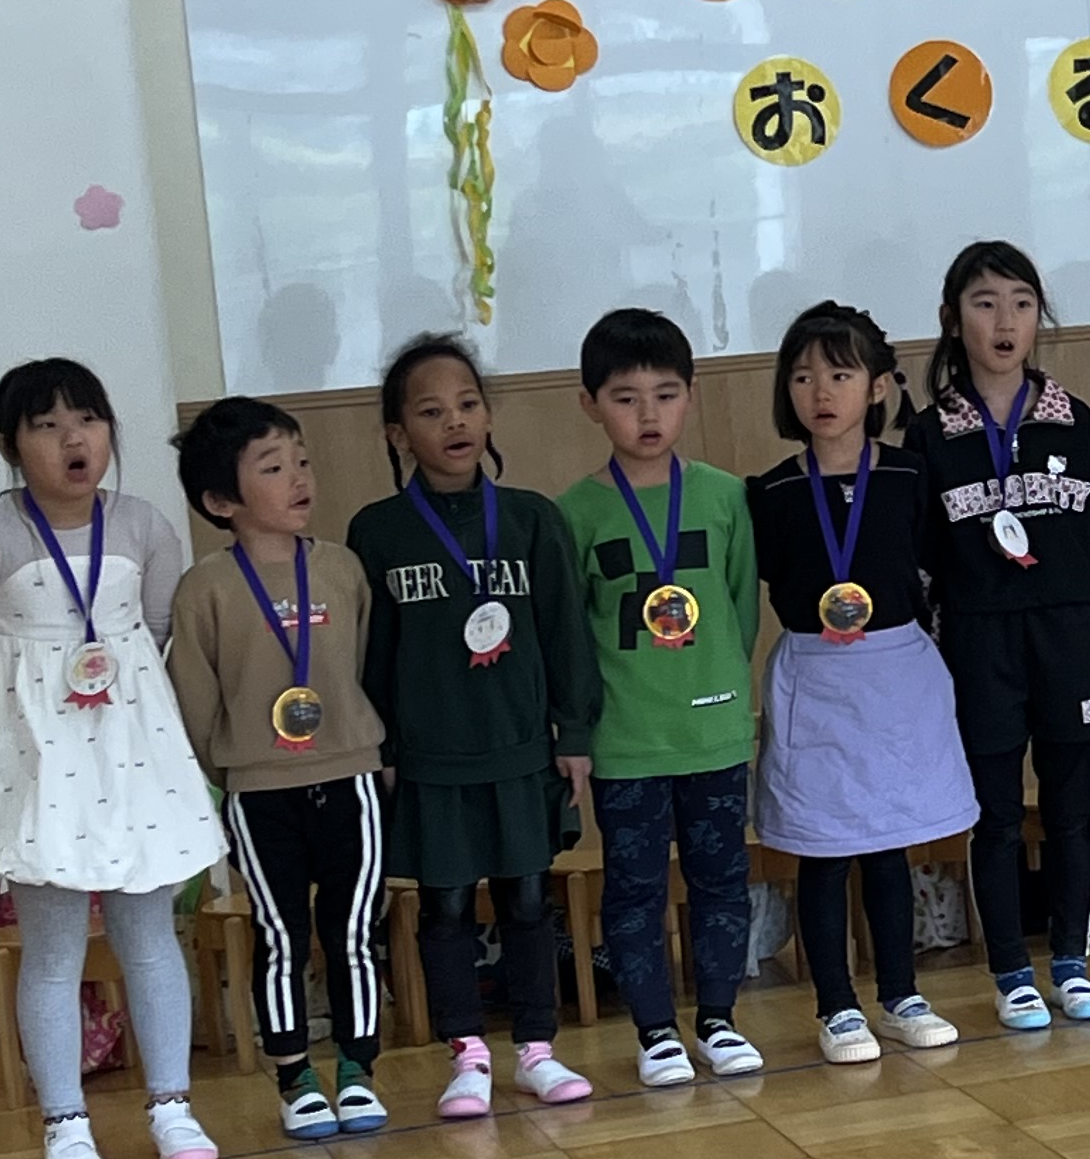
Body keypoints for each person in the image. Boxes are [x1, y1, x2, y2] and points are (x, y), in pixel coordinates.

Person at [0, 356, 229, 1159]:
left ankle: (172, 1106)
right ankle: (65, 1123)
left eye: (88, 420)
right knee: (53, 947)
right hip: (41, 768)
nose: (74, 439)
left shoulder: (144, 526)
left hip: (133, 756)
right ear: (9, 446)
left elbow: (156, 634)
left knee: (150, 936)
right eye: (47, 425)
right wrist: (31, 733)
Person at [347, 332, 597, 1115]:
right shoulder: (378, 531)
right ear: (398, 434)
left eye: (467, 404)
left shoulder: (532, 519)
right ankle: (467, 1055)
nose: (454, 422)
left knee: (526, 898)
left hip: (521, 750)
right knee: (447, 905)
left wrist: (574, 734)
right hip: (431, 758)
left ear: (488, 416)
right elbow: (371, 654)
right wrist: (383, 745)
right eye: (431, 412)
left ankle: (537, 1049)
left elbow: (565, 634)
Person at [748, 299, 970, 1063]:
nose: (821, 392)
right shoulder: (773, 491)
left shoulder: (911, 475)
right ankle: (836, 1005)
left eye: (840, 375)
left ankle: (900, 993)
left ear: (877, 386)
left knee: (887, 842)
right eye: (803, 376)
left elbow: (936, 570)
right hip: (816, 678)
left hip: (894, 673)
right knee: (824, 849)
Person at [167, 395, 390, 1137]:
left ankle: (357, 1069)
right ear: (220, 500)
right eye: (272, 467)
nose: (299, 478)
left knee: (353, 930)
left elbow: (361, 666)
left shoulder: (342, 569)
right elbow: (196, 703)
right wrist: (238, 769)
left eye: (302, 461)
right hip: (260, 790)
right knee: (281, 934)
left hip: (351, 777)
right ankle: (296, 1077)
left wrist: (353, 744)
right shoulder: (205, 589)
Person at [559, 308, 763, 1086]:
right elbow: (573, 633)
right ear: (589, 404)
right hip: (627, 740)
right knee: (634, 890)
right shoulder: (574, 513)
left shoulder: (724, 497)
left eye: (666, 395)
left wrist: (720, 690)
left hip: (713, 731)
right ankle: (654, 1033)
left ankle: (718, 1019)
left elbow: (741, 610)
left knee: (722, 881)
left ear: (691, 396)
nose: (648, 415)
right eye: (625, 397)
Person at [922, 240, 1090, 1029]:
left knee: (1074, 810)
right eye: (985, 304)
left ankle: (1071, 963)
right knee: (997, 816)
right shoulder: (931, 431)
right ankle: (1011, 972)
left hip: (1067, 635)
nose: (1005, 322)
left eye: (1021, 303)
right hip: (980, 643)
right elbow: (926, 559)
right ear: (952, 319)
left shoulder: (1074, 418)